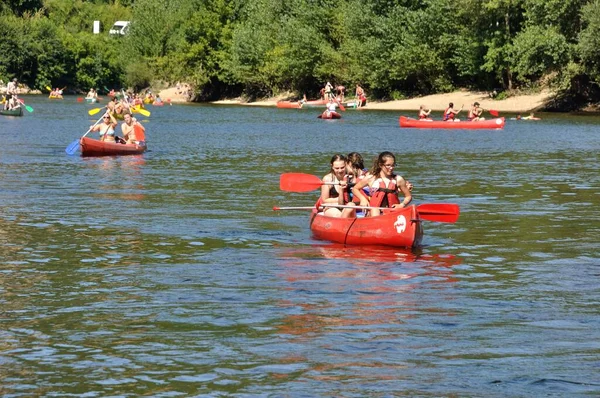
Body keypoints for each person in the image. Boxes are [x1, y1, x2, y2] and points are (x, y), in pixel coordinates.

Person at [352, 151, 412, 217]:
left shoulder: (398, 179)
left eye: (393, 165)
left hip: (392, 213)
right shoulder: (371, 178)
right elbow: (355, 189)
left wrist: (401, 205)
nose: (391, 168)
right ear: (380, 165)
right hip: (373, 214)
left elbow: (408, 196)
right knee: (375, 210)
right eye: (388, 165)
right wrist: (363, 199)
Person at [316, 154, 356, 218]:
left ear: (346, 165)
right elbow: (325, 200)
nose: (340, 171)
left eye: (342, 167)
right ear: (332, 166)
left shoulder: (352, 177)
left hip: (348, 206)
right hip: (331, 207)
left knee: (350, 207)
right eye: (337, 168)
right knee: (338, 215)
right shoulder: (328, 179)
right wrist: (342, 200)